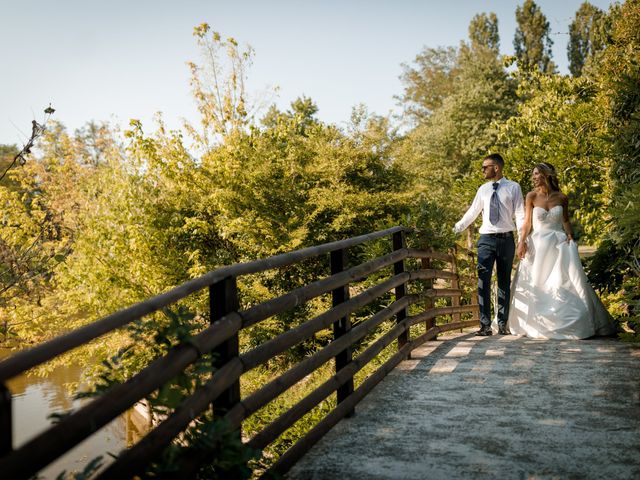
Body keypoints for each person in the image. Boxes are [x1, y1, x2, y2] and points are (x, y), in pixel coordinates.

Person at [508, 162, 615, 339]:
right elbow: (527, 222)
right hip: (538, 245)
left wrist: (570, 235)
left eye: (537, 174)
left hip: (558, 244)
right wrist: (521, 241)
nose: (534, 177)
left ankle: (568, 319)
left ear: (547, 175)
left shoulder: (562, 198)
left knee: (561, 281)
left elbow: (565, 220)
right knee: (536, 281)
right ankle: (535, 321)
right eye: (533, 174)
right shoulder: (531, 196)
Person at [454, 153, 525, 336]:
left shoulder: (513, 187)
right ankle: (485, 325)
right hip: (486, 239)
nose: (482, 170)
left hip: (506, 239)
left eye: (485, 167)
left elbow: (520, 214)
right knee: (482, 281)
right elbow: (472, 212)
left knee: (503, 282)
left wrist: (522, 240)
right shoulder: (483, 189)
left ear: (496, 167)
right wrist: (455, 230)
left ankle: (502, 325)